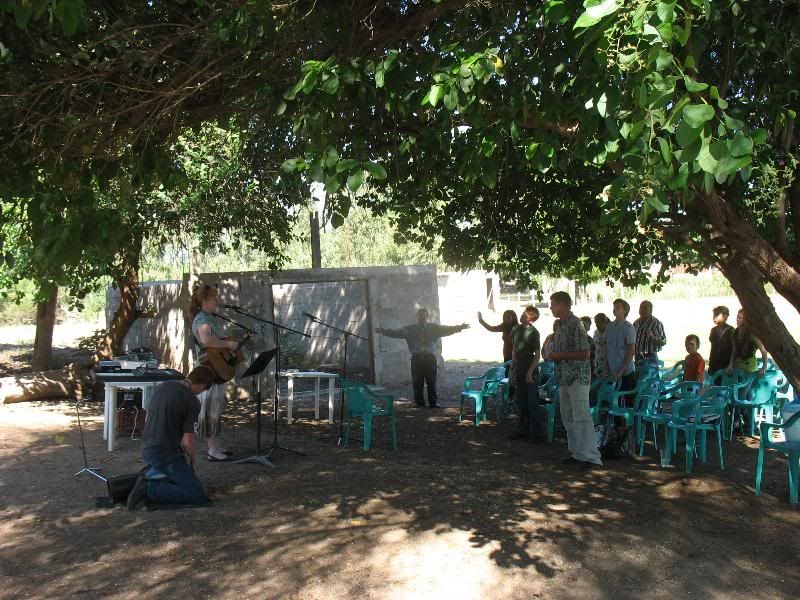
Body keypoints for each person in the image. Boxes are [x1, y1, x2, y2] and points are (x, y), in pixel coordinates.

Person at [127, 366, 216, 510]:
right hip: (164, 453)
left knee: (180, 476)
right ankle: (149, 490)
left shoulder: (164, 386)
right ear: (203, 385)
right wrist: (192, 459)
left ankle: (151, 477)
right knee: (198, 495)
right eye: (204, 389)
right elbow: (188, 441)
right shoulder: (192, 401)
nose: (201, 393)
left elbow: (148, 418)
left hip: (147, 447)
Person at [548, 291, 601, 467]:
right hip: (564, 376)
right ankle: (577, 453)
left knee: (582, 416)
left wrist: (560, 355)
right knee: (568, 416)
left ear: (562, 304)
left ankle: (591, 457)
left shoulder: (575, 323)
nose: (550, 308)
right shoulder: (560, 325)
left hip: (578, 376)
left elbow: (585, 352)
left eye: (553, 304)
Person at [375, 308, 469, 408]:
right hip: (416, 359)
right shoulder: (410, 329)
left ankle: (433, 403)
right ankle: (419, 403)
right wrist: (384, 331)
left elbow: (447, 329)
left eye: (424, 315)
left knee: (431, 382)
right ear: (417, 317)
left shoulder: (434, 328)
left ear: (427, 317)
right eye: (420, 315)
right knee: (417, 382)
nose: (422, 317)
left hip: (430, 359)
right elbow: (397, 332)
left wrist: (459, 327)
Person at [189, 284, 242, 461]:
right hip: (208, 371)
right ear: (205, 301)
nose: (217, 301)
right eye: (214, 298)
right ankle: (212, 450)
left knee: (215, 408)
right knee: (210, 409)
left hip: (216, 369)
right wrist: (228, 344)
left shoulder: (209, 318)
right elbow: (207, 341)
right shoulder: (202, 319)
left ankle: (216, 445)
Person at [508, 305, 544, 443]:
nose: (522, 316)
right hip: (519, 369)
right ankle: (523, 430)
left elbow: (537, 355)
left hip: (530, 372)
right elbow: (514, 348)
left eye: (526, 315)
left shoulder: (534, 333)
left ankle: (537, 434)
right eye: (523, 313)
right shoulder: (516, 329)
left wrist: (530, 372)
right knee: (521, 401)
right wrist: (513, 366)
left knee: (532, 402)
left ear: (531, 320)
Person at [605, 299, 636, 397]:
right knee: (611, 399)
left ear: (625, 311)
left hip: (626, 372)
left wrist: (621, 370)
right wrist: (606, 367)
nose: (615, 309)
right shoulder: (609, 326)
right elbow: (607, 348)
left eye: (618, 307)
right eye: (614, 307)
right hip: (612, 371)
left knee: (627, 401)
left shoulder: (628, 327)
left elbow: (631, 351)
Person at [731, 309, 768, 375]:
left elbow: (764, 352)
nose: (737, 319)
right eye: (737, 316)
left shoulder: (752, 334)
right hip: (737, 364)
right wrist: (730, 365)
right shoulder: (736, 332)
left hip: (749, 366)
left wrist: (764, 367)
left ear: (746, 320)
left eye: (740, 318)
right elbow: (734, 351)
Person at [633, 300, 666, 367]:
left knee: (649, 374)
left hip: (650, 358)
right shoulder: (636, 322)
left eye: (645, 308)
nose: (642, 310)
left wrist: (653, 337)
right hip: (637, 357)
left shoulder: (656, 323)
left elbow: (663, 342)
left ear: (651, 310)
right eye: (641, 307)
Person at [708, 306, 736, 379]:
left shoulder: (731, 330)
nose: (714, 317)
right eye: (714, 315)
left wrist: (731, 364)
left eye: (717, 315)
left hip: (724, 365)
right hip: (713, 364)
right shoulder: (713, 330)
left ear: (725, 316)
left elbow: (734, 349)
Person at [593, 313, 609, 377]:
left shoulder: (610, 332)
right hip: (598, 361)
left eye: (598, 322)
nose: (596, 324)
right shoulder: (595, 332)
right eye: (595, 322)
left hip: (608, 363)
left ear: (604, 322)